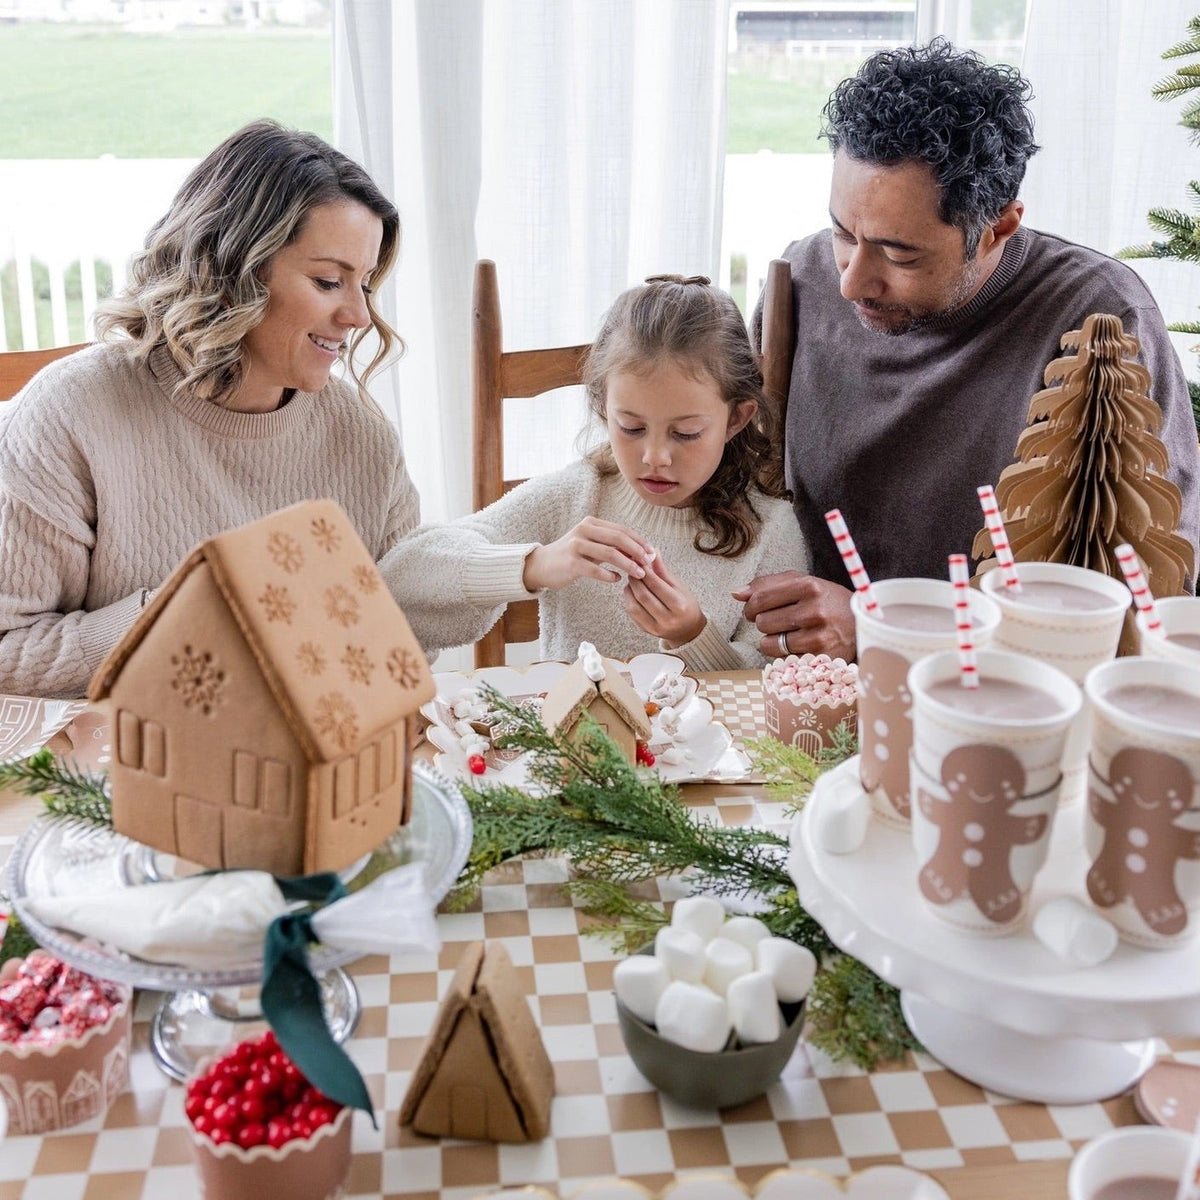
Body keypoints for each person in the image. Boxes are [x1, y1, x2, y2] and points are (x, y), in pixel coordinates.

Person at [740, 38, 1200, 664]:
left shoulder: (1102, 321)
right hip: (796, 679)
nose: (851, 280)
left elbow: (1146, 608)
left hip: (997, 697)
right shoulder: (801, 279)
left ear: (999, 227)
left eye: (899, 253)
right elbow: (727, 480)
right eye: (844, 233)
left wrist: (883, 628)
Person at [0, 120, 420, 699]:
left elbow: (402, 635)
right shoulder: (73, 413)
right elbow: (8, 651)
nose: (359, 316)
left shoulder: (361, 437)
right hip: (112, 770)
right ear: (235, 270)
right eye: (328, 281)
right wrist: (179, 615)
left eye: (366, 286)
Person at [389, 276, 808, 670]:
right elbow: (401, 581)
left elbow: (777, 686)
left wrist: (692, 636)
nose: (655, 456)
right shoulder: (577, 497)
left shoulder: (771, 529)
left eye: (686, 433)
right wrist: (535, 564)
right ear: (603, 407)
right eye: (632, 428)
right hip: (568, 745)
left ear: (736, 418)